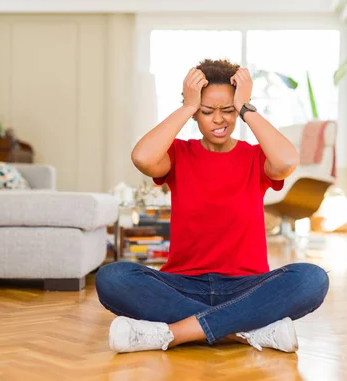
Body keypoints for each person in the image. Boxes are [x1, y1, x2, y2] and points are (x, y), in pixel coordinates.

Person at [95, 59, 329, 354]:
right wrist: (186, 107)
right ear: (196, 114)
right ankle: (246, 331)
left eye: (228, 110)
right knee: (112, 278)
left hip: (247, 287)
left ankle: (174, 333)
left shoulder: (256, 157)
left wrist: (246, 107)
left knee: (313, 279)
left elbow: (286, 162)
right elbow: (142, 157)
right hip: (183, 284)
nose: (219, 119)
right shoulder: (179, 154)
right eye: (207, 111)